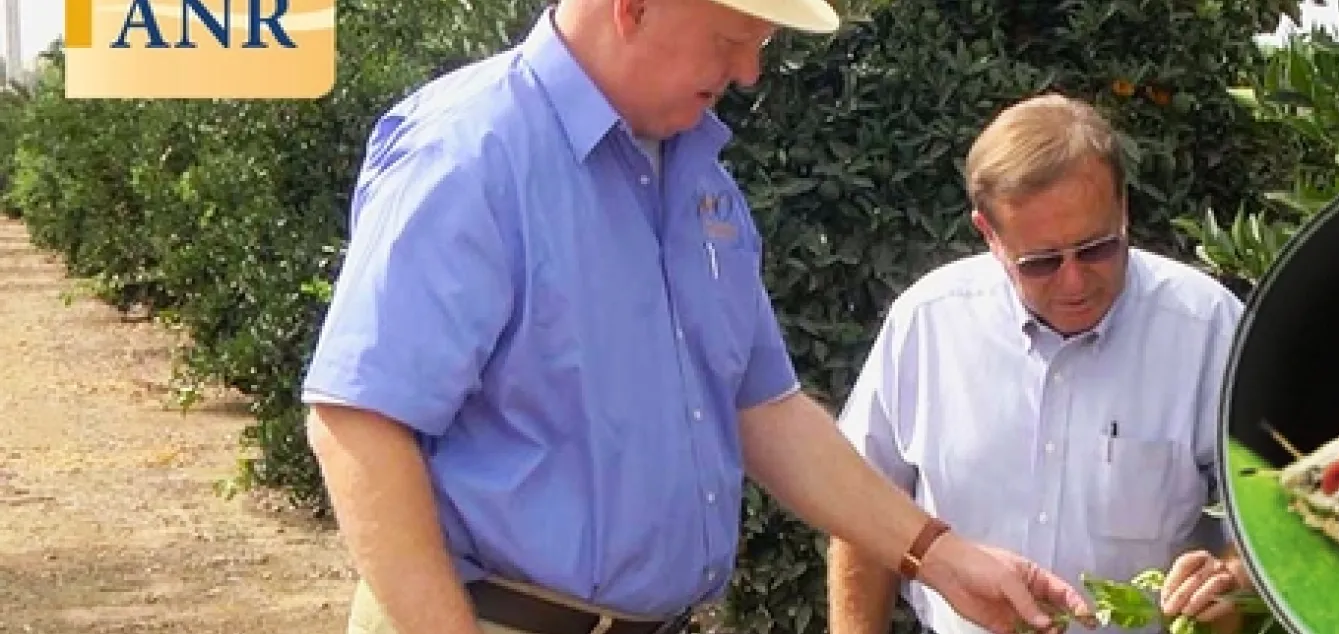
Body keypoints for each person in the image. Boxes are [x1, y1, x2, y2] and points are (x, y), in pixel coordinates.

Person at [297, 1, 1100, 633]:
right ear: (632, 7)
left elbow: (765, 408)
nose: (749, 72)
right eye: (729, 40)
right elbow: (357, 420)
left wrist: (940, 556)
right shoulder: (469, 154)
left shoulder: (699, 180)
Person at [824, 94, 1255, 634]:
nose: (1074, 282)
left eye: (1097, 248)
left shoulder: (1208, 327)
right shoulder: (928, 322)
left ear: (1124, 207)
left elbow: (1275, 516)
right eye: (1041, 263)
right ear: (988, 234)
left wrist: (1233, 579)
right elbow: (862, 513)